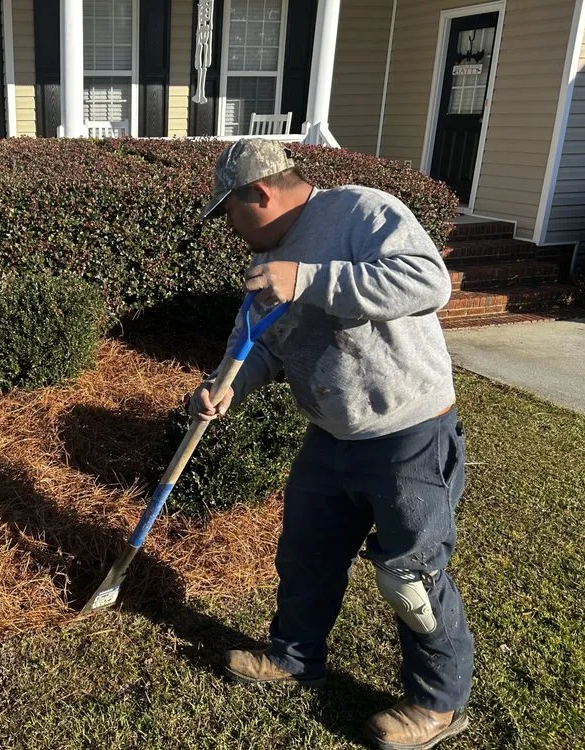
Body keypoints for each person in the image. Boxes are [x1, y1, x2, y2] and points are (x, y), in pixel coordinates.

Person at [189, 139, 473, 750]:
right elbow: (260, 342)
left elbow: (428, 282)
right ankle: (295, 657)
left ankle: (437, 704)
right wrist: (226, 385)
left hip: (409, 432)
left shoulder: (360, 212)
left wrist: (310, 279)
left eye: (230, 213)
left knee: (411, 580)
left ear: (259, 194)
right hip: (330, 435)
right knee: (305, 556)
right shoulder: (270, 263)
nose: (231, 229)